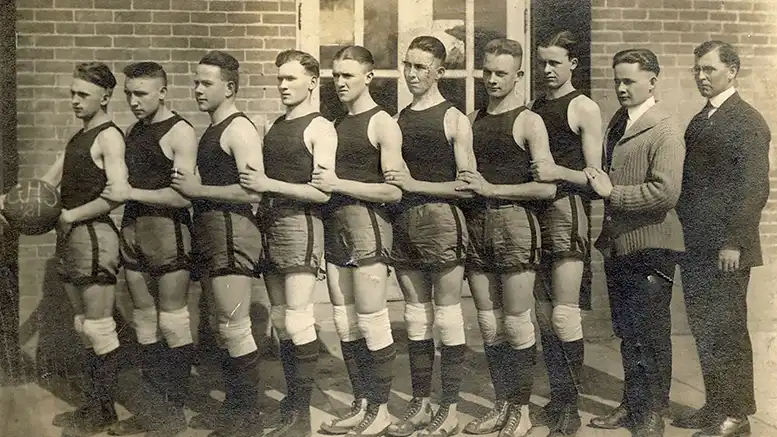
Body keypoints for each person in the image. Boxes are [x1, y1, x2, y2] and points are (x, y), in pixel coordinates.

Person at [458, 38, 557, 437]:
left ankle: (520, 409)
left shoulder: (529, 121)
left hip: (515, 225)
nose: (493, 79)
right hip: (477, 227)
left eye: (502, 73)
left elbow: (547, 188)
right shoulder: (471, 118)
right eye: (488, 71)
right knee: (488, 324)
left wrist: (493, 190)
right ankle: (501, 405)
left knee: (517, 325)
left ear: (518, 75)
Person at [585, 49, 685, 437]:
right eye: (617, 80)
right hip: (620, 244)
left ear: (653, 81)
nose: (621, 88)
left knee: (652, 335)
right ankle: (632, 405)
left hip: (652, 247)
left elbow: (665, 193)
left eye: (629, 80)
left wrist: (612, 194)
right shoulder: (618, 123)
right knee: (628, 332)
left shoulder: (664, 130)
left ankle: (652, 415)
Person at [674, 40, 770, 437]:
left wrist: (733, 240)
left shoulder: (747, 121)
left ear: (732, 71)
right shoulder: (701, 120)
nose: (701, 77)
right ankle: (715, 405)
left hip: (727, 248)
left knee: (728, 329)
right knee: (704, 326)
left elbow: (753, 189)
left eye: (709, 70)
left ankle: (738, 415)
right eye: (698, 70)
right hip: (696, 245)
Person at [239, 49, 336, 437]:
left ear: (312, 82)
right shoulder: (275, 125)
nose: (282, 85)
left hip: (300, 224)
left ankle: (301, 414)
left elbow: (322, 192)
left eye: (291, 78)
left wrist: (267, 186)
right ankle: (293, 404)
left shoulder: (320, 127)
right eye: (280, 78)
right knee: (280, 320)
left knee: (297, 318)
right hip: (271, 223)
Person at [383, 35, 475, 437]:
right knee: (416, 318)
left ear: (440, 71)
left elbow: (467, 185)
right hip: (405, 223)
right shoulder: (399, 117)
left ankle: (450, 408)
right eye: (408, 64)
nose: (412, 73)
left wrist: (415, 184)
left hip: (441, 220)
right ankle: (421, 403)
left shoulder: (454, 117)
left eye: (422, 66)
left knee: (449, 316)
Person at [100, 62, 197, 437]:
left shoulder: (181, 132)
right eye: (128, 93)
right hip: (134, 229)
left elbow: (183, 195)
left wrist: (130, 194)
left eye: (141, 93)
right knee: (144, 318)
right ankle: (153, 411)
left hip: (167, 231)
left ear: (162, 92)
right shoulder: (133, 131)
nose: (133, 100)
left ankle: (173, 414)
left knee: (172, 319)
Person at [171, 50, 264, 437]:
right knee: (225, 327)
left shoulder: (238, 128)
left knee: (236, 327)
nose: (197, 89)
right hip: (212, 232)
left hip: (231, 233)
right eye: (196, 82)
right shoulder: (214, 127)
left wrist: (197, 189)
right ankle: (235, 411)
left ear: (229, 87)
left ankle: (248, 421)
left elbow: (252, 191)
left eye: (206, 83)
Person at [312, 45, 404, 437]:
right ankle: (363, 402)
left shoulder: (383, 122)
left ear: (369, 77)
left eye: (349, 74)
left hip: (368, 227)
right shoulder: (333, 124)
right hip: (336, 228)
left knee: (372, 321)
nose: (341, 82)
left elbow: (394, 191)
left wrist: (339, 185)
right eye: (336, 75)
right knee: (345, 323)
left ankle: (381, 410)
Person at [41, 62, 130, 437]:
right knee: (84, 326)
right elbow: (45, 184)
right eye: (72, 94)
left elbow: (118, 192)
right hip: (73, 237)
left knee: (99, 328)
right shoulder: (78, 135)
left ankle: (104, 409)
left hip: (94, 237)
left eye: (83, 95)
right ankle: (96, 404)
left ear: (106, 97)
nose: (75, 101)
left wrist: (71, 214)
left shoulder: (109, 137)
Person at [528, 30, 603, 437]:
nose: (547, 70)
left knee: (563, 313)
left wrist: (559, 173)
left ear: (573, 64)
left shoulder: (584, 107)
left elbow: (597, 178)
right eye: (542, 62)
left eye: (555, 62)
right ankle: (558, 399)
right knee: (542, 314)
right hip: (535, 215)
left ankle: (570, 410)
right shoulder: (537, 106)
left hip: (567, 212)